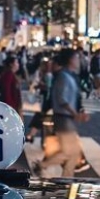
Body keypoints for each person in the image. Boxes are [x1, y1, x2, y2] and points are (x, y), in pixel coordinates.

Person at [33, 48, 87, 177]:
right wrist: (75, 113)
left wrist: (79, 111)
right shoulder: (63, 76)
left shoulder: (69, 75)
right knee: (70, 152)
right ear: (70, 60)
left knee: (73, 153)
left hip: (67, 118)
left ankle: (66, 181)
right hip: (63, 118)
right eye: (76, 58)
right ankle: (43, 166)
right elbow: (62, 99)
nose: (79, 61)